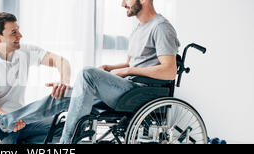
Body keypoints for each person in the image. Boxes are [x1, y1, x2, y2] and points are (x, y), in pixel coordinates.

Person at [58, 0, 181, 143]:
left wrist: (127, 71)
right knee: (66, 93)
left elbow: (169, 71)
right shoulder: (138, 28)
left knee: (87, 74)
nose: (122, 4)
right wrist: (109, 68)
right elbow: (131, 63)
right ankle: (27, 122)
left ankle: (66, 143)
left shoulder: (161, 27)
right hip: (128, 86)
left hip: (140, 91)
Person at [0, 12, 72, 144]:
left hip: (23, 120)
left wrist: (64, 81)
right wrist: (7, 117)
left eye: (18, 30)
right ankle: (8, 124)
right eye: (13, 32)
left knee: (68, 130)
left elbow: (61, 61)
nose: (20, 35)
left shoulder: (25, 51)